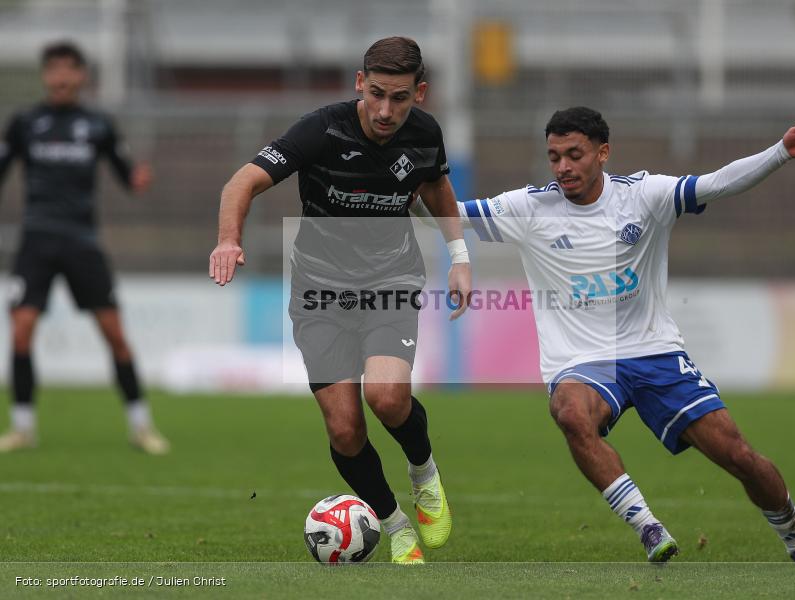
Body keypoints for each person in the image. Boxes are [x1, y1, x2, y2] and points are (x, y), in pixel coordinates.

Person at [412, 107, 795, 567]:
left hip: (653, 351)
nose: (563, 167)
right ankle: (648, 527)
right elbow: (444, 213)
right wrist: (403, 188)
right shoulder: (529, 207)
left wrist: (780, 153)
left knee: (738, 456)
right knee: (571, 414)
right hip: (581, 361)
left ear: (603, 152)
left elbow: (716, 182)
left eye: (574, 154)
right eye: (554, 157)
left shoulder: (644, 195)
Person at [209, 37, 471, 564]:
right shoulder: (321, 130)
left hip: (390, 281)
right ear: (359, 83)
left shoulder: (425, 134)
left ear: (419, 93)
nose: (385, 110)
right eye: (376, 94)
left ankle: (424, 471)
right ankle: (394, 524)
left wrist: (459, 255)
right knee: (346, 427)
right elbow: (243, 181)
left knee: (388, 399)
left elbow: (436, 186)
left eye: (399, 98)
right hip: (319, 292)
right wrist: (228, 239)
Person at [0, 41, 168, 454]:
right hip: (36, 240)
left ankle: (141, 425)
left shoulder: (97, 125)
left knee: (114, 335)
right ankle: (22, 427)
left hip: (82, 242)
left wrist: (138, 180)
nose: (60, 77)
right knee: (20, 331)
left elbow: (127, 175)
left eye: (68, 69)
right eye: (53, 69)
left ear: (81, 76)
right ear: (44, 75)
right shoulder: (24, 123)